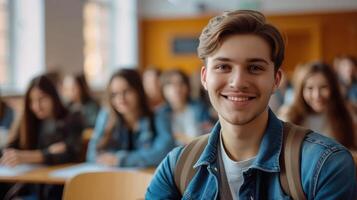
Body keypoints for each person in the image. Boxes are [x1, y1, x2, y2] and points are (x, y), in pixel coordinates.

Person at [146, 10, 356, 199]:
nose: (238, 82)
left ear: (276, 80)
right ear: (204, 78)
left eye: (255, 68)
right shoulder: (176, 167)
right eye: (223, 66)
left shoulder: (325, 165)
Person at [0, 75, 84, 199]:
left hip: (57, 190)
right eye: (31, 101)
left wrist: (28, 156)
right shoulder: (29, 121)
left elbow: (70, 154)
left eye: (42, 99)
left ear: (53, 97)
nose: (36, 106)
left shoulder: (71, 118)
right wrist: (47, 152)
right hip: (30, 187)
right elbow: (9, 149)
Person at [86, 68, 175, 167]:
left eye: (127, 91)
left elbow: (164, 152)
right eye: (114, 94)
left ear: (138, 91)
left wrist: (121, 160)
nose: (121, 98)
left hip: (146, 179)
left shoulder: (158, 115)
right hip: (112, 177)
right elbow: (91, 154)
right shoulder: (106, 115)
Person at [279, 62, 356, 148]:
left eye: (323, 87)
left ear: (333, 88)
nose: (317, 95)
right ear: (301, 91)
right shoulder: (288, 116)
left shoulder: (344, 115)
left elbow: (350, 150)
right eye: (310, 88)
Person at [158, 69, 214, 145]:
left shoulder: (199, 108)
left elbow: (209, 137)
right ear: (163, 89)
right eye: (170, 84)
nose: (177, 89)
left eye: (181, 83)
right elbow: (165, 144)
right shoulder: (161, 114)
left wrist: (179, 137)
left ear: (187, 87)